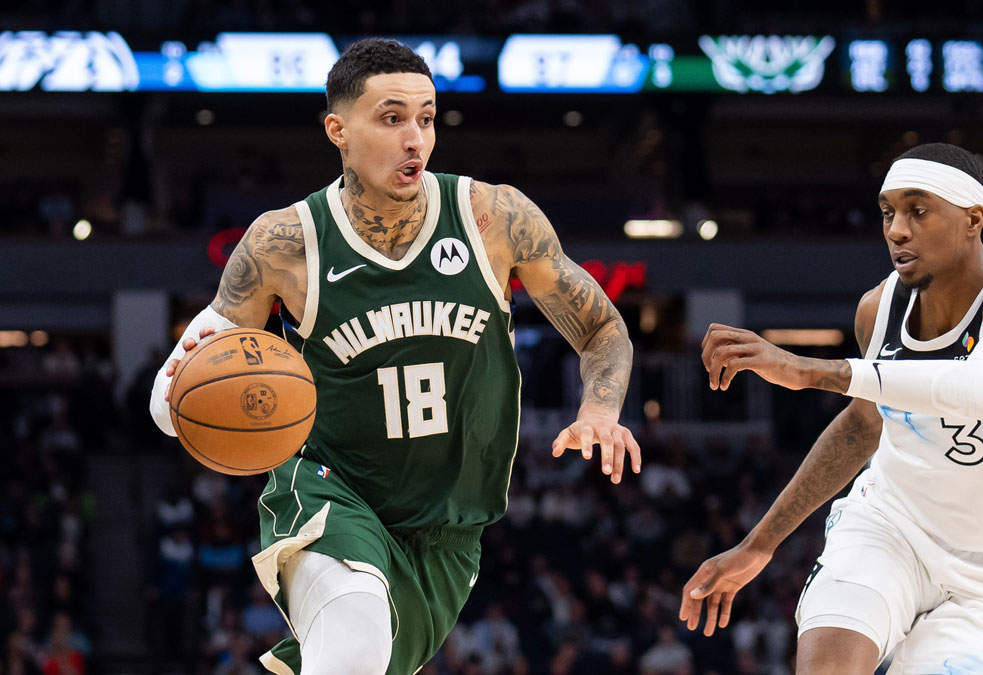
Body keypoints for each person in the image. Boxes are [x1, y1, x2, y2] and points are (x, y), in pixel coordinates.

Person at [147, 38, 640, 675]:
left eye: (427, 118)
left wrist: (601, 408)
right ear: (338, 130)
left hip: (447, 526)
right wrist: (180, 393)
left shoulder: (494, 217)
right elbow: (172, 397)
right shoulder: (284, 242)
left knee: (361, 660)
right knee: (353, 638)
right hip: (331, 489)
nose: (415, 138)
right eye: (391, 117)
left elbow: (603, 328)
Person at [680, 143, 983, 674]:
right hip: (887, 530)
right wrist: (761, 544)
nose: (896, 230)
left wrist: (811, 371)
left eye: (918, 211)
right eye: (888, 212)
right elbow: (862, 426)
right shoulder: (879, 307)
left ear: (973, 218)